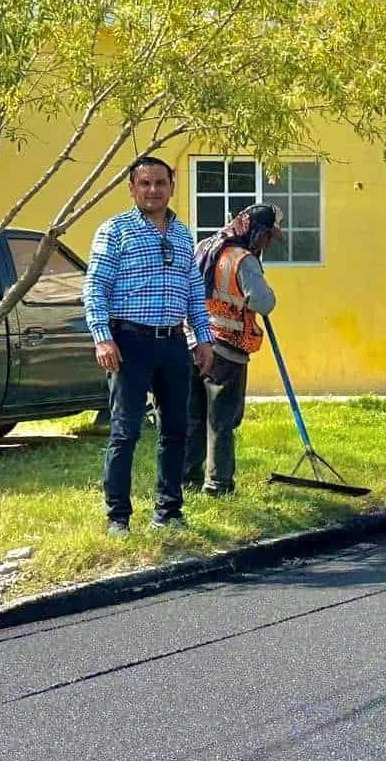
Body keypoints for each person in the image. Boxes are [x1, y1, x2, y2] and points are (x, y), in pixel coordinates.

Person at [83, 156, 213, 536]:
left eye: (160, 182)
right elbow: (95, 288)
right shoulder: (115, 230)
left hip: (172, 343)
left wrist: (202, 338)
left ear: (172, 185)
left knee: (176, 429)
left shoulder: (182, 234)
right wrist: (102, 337)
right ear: (132, 188)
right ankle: (118, 518)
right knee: (126, 432)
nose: (153, 190)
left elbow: (193, 290)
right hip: (129, 342)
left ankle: (168, 512)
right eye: (145, 183)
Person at [184, 204, 283, 496]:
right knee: (222, 422)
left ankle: (186, 480)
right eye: (268, 237)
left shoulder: (203, 247)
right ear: (257, 232)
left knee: (193, 417)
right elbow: (262, 302)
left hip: (192, 345)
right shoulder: (243, 259)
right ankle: (218, 485)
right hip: (226, 352)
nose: (267, 244)